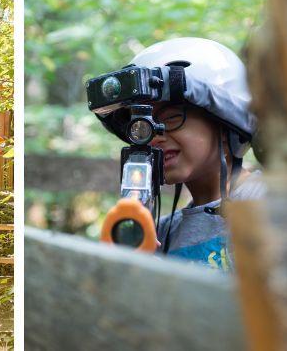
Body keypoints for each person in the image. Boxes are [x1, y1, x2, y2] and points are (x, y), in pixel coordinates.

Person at [94, 37, 265, 270]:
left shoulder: (270, 202)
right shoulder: (161, 233)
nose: (153, 136)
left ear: (226, 124)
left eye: (172, 117)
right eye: (142, 125)